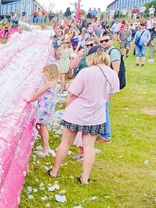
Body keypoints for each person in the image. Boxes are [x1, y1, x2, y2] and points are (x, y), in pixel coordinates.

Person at [48, 46, 119, 185]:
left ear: (91, 57)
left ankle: (54, 171)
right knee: (89, 146)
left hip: (76, 113)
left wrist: (67, 105)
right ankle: (84, 178)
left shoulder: (86, 72)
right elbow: (109, 97)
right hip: (96, 116)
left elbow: (73, 93)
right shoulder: (112, 74)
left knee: (65, 142)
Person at [23, 64, 60, 156]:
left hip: (44, 107)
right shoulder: (54, 82)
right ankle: (45, 146)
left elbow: (39, 93)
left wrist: (30, 99)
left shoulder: (49, 83)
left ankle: (46, 147)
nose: (44, 74)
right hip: (48, 107)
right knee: (40, 125)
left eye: (45, 72)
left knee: (42, 126)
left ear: (49, 72)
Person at [99, 31, 122, 142]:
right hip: (105, 84)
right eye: (101, 41)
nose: (103, 43)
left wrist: (111, 88)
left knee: (105, 108)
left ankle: (106, 135)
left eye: (106, 40)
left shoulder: (113, 52)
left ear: (111, 40)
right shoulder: (106, 51)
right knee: (103, 108)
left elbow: (115, 71)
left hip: (108, 85)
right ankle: (103, 133)